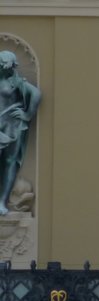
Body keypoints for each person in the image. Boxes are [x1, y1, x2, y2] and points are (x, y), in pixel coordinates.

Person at [0, 50, 41, 216]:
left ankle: (2, 201)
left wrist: (28, 114)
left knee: (9, 162)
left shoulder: (15, 81)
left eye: (5, 65)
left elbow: (35, 94)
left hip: (12, 126)